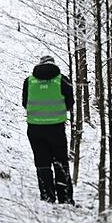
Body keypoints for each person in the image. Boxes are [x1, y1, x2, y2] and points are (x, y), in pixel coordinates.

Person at [22, 56, 74, 204]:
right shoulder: (62, 80)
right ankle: (65, 198)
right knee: (60, 162)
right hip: (56, 129)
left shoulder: (29, 81)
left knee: (42, 163)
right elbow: (70, 104)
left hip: (34, 129)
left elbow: (25, 103)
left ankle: (47, 197)